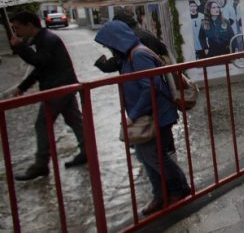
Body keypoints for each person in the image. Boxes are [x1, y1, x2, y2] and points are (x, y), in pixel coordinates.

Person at [94, 20, 190, 216]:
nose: (108, 49)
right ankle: (160, 195)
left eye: (108, 45)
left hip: (156, 114)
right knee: (146, 157)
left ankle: (179, 189)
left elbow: (149, 87)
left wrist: (134, 115)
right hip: (149, 114)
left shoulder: (138, 55)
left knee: (155, 157)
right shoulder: (129, 56)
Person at [8, 11, 86, 181]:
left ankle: (41, 163)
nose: (17, 32)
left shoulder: (47, 40)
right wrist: (23, 86)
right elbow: (41, 68)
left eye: (18, 27)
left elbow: (40, 62)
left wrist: (20, 47)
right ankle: (87, 151)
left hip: (58, 87)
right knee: (74, 119)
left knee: (42, 123)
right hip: (63, 84)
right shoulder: (43, 39)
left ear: (29, 25)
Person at [94, 12, 176, 154]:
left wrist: (133, 116)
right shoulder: (133, 43)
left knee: (159, 155)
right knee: (154, 156)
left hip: (155, 110)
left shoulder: (140, 44)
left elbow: (150, 84)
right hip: (150, 111)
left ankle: (169, 164)